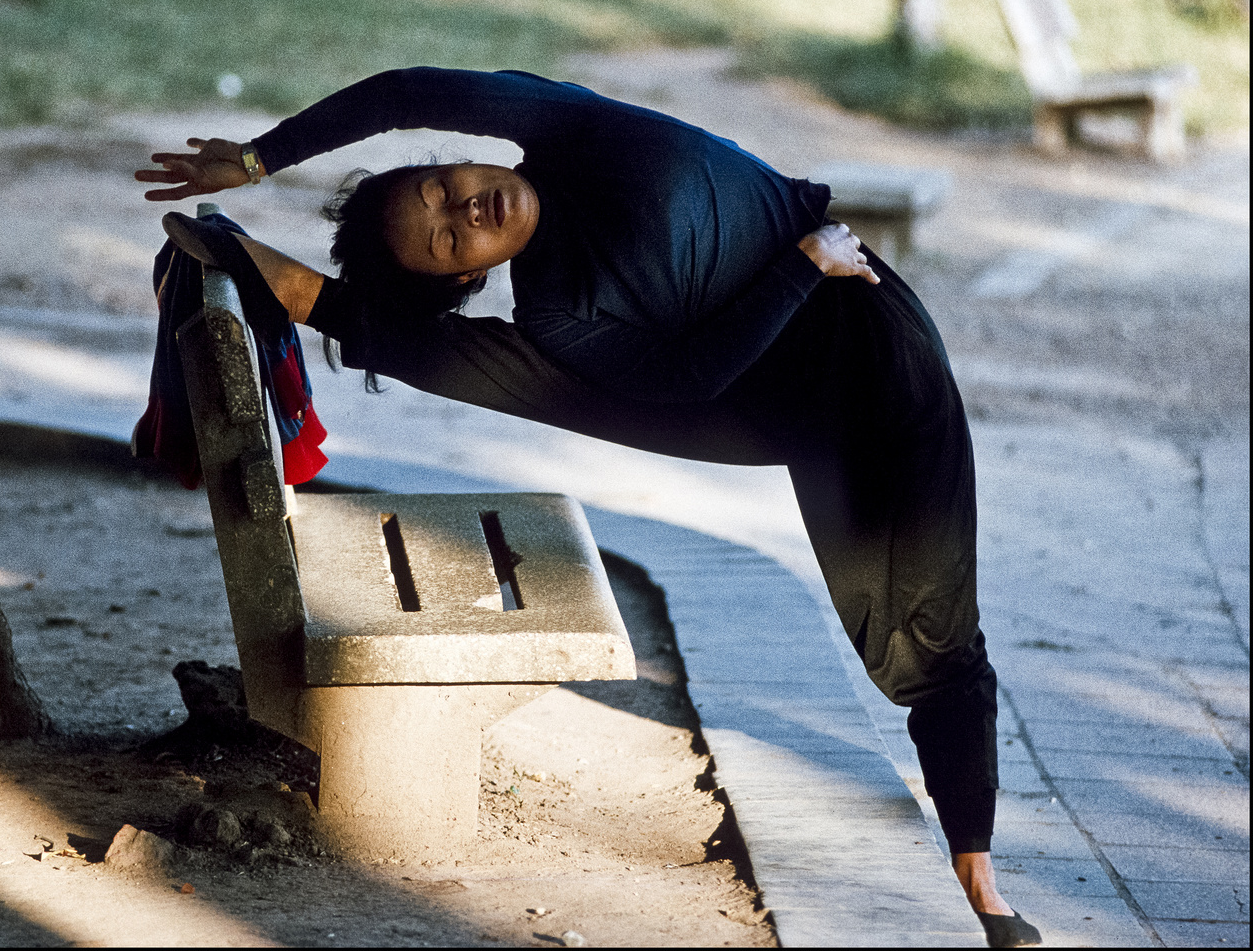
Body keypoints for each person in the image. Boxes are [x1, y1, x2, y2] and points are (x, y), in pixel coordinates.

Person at [136, 67, 1041, 949]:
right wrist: (803, 263)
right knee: (894, 639)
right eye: (450, 239)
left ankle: (978, 876)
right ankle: (314, 299)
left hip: (879, 354)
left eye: (445, 185)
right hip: (790, 380)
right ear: (462, 281)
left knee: (930, 639)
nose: (468, 208)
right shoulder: (560, 318)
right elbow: (693, 376)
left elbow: (404, 92)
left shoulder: (569, 128)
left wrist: (259, 157)